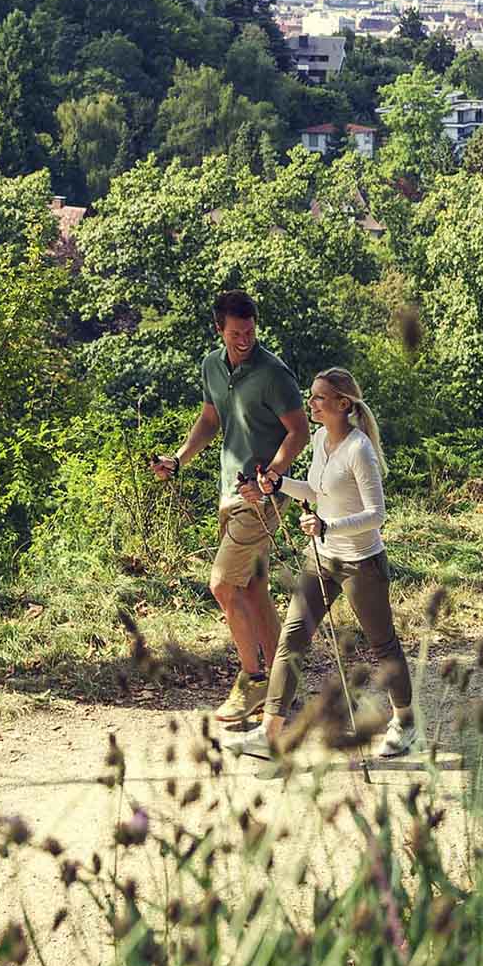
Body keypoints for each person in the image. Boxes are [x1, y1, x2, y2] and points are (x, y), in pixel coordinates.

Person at [237, 367, 416, 764]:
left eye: (319, 398)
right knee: (293, 638)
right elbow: (317, 490)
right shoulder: (321, 439)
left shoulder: (359, 450)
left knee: (382, 644)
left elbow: (377, 514)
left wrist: (328, 524)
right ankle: (270, 733)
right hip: (321, 558)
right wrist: (278, 483)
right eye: (312, 396)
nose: (312, 403)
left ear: (342, 404)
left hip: (360, 563)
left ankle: (405, 722)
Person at [150, 288, 307, 724]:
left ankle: (254, 680)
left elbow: (299, 432)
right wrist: (177, 460)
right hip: (228, 491)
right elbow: (209, 420)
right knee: (251, 588)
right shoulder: (211, 366)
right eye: (236, 332)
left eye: (251, 331)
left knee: (221, 584)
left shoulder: (274, 374)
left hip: (260, 498)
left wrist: (274, 473)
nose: (245, 339)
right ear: (219, 329)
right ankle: (285, 684)